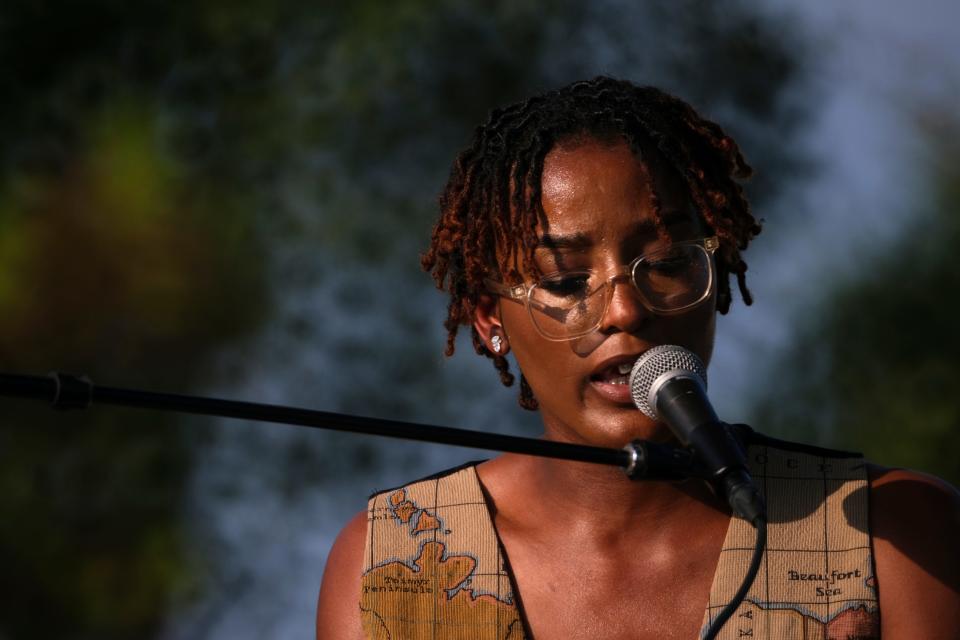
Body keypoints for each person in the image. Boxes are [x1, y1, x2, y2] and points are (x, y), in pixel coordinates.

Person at [316, 77, 960, 639]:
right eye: (566, 281)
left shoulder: (894, 533)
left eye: (672, 263)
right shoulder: (392, 563)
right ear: (490, 319)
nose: (625, 310)